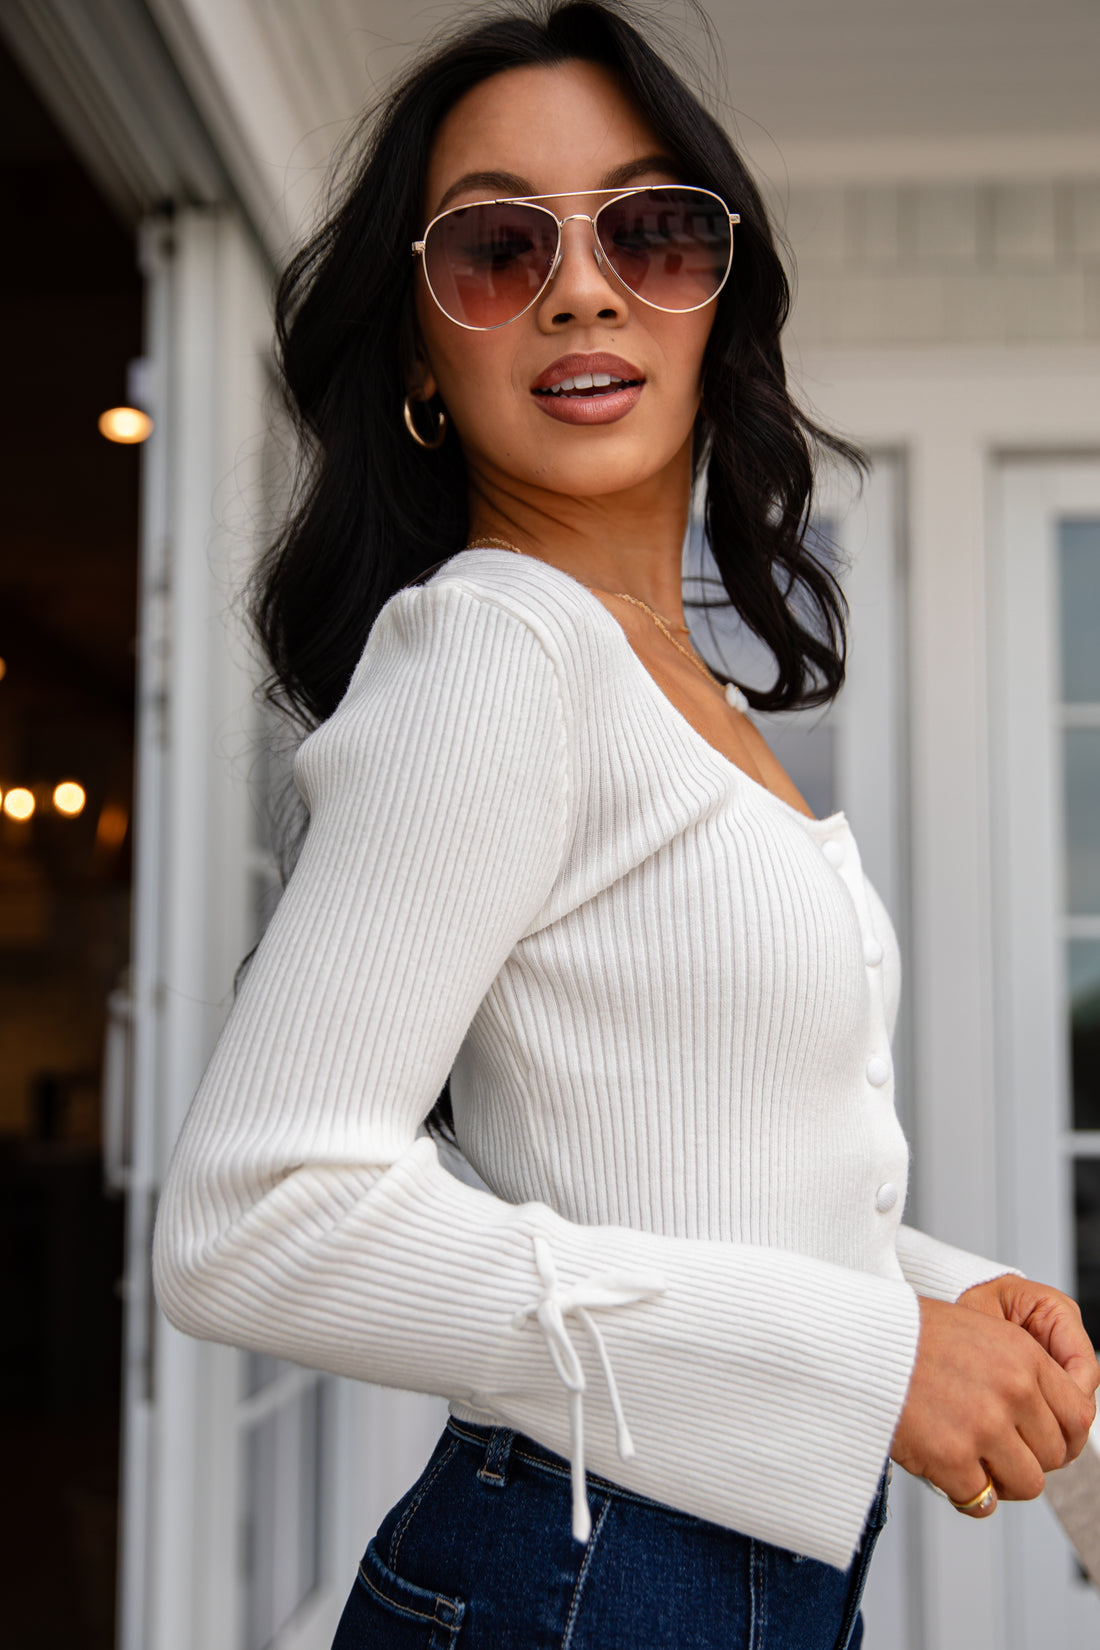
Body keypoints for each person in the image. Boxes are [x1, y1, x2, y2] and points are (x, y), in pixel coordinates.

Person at [152, 4, 1099, 1646]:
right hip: (585, 1581)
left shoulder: (674, 688)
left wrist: (950, 1304)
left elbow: (700, 1193)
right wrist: (874, 1355)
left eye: (650, 231)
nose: (582, 286)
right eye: (496, 247)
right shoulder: (495, 649)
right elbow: (256, 1216)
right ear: (420, 356)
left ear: (716, 297)